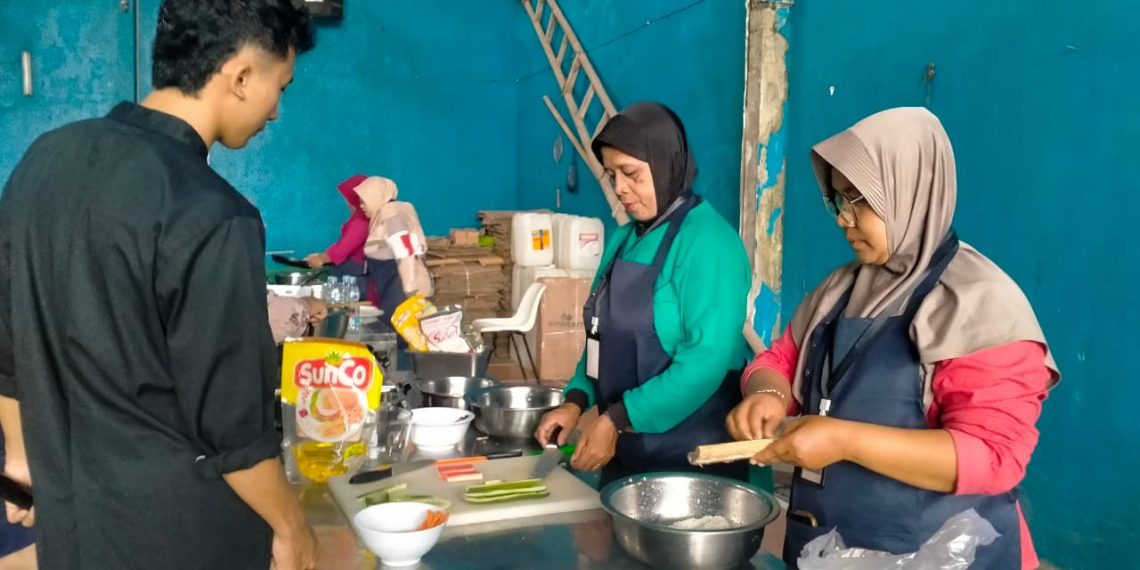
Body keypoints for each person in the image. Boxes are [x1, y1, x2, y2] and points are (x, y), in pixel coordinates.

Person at [0, 1, 319, 569]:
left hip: (73, 526)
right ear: (241, 77)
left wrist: (23, 459)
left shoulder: (43, 160)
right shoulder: (212, 212)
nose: (275, 113)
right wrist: (292, 525)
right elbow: (234, 428)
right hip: (180, 535)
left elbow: (9, 344)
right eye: (283, 87)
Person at [727, 107, 1059, 569]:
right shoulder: (838, 291)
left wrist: (845, 441)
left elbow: (994, 455)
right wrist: (766, 394)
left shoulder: (978, 302)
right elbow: (782, 359)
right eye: (836, 201)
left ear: (911, 190)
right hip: (831, 549)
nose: (843, 220)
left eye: (857, 202)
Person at [534, 102, 752, 487]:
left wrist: (615, 419)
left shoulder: (709, 243)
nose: (619, 188)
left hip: (692, 461)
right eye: (612, 174)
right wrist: (576, 401)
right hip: (625, 450)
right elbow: (601, 335)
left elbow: (705, 361)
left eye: (630, 173)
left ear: (666, 162)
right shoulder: (623, 239)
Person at [351, 176, 431, 324]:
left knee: (398, 335)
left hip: (400, 289)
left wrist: (410, 290)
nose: (361, 206)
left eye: (364, 200)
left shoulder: (392, 215)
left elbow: (405, 251)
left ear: (376, 197)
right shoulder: (389, 214)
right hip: (393, 286)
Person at [303, 174, 372, 290]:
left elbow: (341, 250)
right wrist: (321, 256)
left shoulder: (361, 221)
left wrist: (320, 259)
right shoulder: (363, 218)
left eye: (348, 199)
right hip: (356, 272)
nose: (346, 203)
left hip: (355, 276)